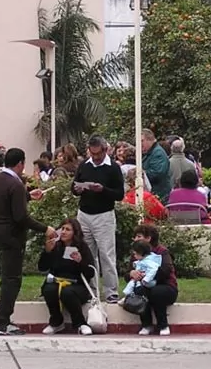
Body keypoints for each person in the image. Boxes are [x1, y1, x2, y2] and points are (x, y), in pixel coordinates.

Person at [0, 148, 54, 336]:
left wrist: (27, 196)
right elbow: (20, 217)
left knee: (6, 277)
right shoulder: (16, 184)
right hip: (12, 235)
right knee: (12, 279)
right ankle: (4, 322)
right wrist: (45, 228)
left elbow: (6, 202)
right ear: (20, 164)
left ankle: (4, 318)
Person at [73, 136, 125, 303]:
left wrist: (103, 190)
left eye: (98, 154)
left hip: (104, 215)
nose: (95, 157)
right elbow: (74, 185)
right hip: (84, 213)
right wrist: (77, 189)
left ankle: (111, 291)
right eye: (92, 153)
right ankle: (91, 289)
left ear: (105, 150)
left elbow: (119, 194)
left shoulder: (113, 168)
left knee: (106, 254)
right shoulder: (84, 165)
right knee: (88, 254)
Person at [39, 218, 96, 336]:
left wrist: (81, 261)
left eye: (68, 230)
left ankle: (80, 323)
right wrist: (47, 252)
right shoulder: (56, 246)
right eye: (62, 229)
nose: (64, 232)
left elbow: (90, 272)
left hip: (77, 284)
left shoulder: (82, 247)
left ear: (74, 233)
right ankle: (56, 322)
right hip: (56, 281)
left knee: (67, 292)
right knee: (49, 289)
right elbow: (42, 267)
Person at [130, 224, 178, 336]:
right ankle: (146, 325)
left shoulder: (162, 252)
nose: (135, 239)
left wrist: (147, 275)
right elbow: (128, 273)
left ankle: (163, 325)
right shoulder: (137, 253)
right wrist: (132, 273)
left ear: (148, 238)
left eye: (138, 236)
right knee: (140, 291)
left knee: (157, 292)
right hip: (144, 285)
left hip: (166, 286)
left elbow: (166, 271)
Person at [141, 129, 171, 203]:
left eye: (142, 141)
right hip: (156, 194)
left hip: (159, 195)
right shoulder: (151, 153)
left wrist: (141, 173)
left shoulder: (158, 153)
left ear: (149, 139)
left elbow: (157, 173)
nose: (139, 144)